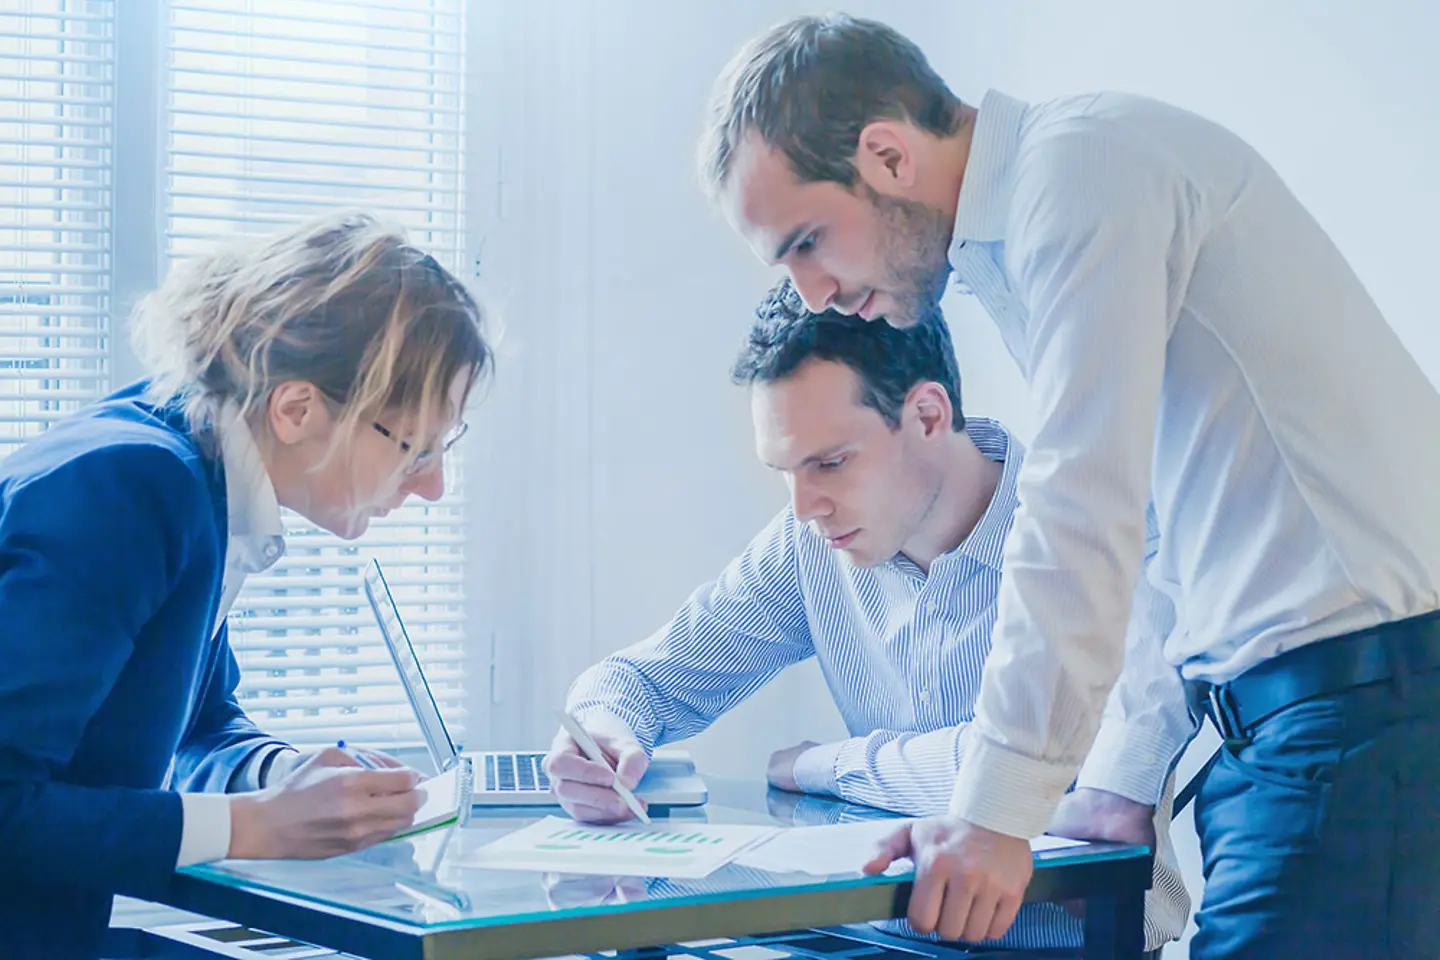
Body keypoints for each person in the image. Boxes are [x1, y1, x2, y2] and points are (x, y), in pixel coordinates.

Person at [698, 13, 1440, 959]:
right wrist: (1118, 786)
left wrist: (996, 815)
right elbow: (1161, 536)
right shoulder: (1043, 213)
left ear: (886, 156)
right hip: (1299, 721)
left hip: (1356, 712)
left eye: (806, 241)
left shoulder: (1079, 173)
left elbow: (1079, 509)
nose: (809, 291)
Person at [544, 281, 1189, 956]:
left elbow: (1042, 769)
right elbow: (640, 679)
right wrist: (604, 734)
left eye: (830, 463)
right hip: (869, 939)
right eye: (785, 469)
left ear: (930, 415)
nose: (804, 506)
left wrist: (825, 764)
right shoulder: (811, 544)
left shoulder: (1085, 533)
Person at [0, 211, 493, 958]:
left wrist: (285, 775)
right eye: (414, 446)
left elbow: (193, 725)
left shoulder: (197, 469)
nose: (432, 486)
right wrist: (255, 825)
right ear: (297, 410)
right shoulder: (132, 489)